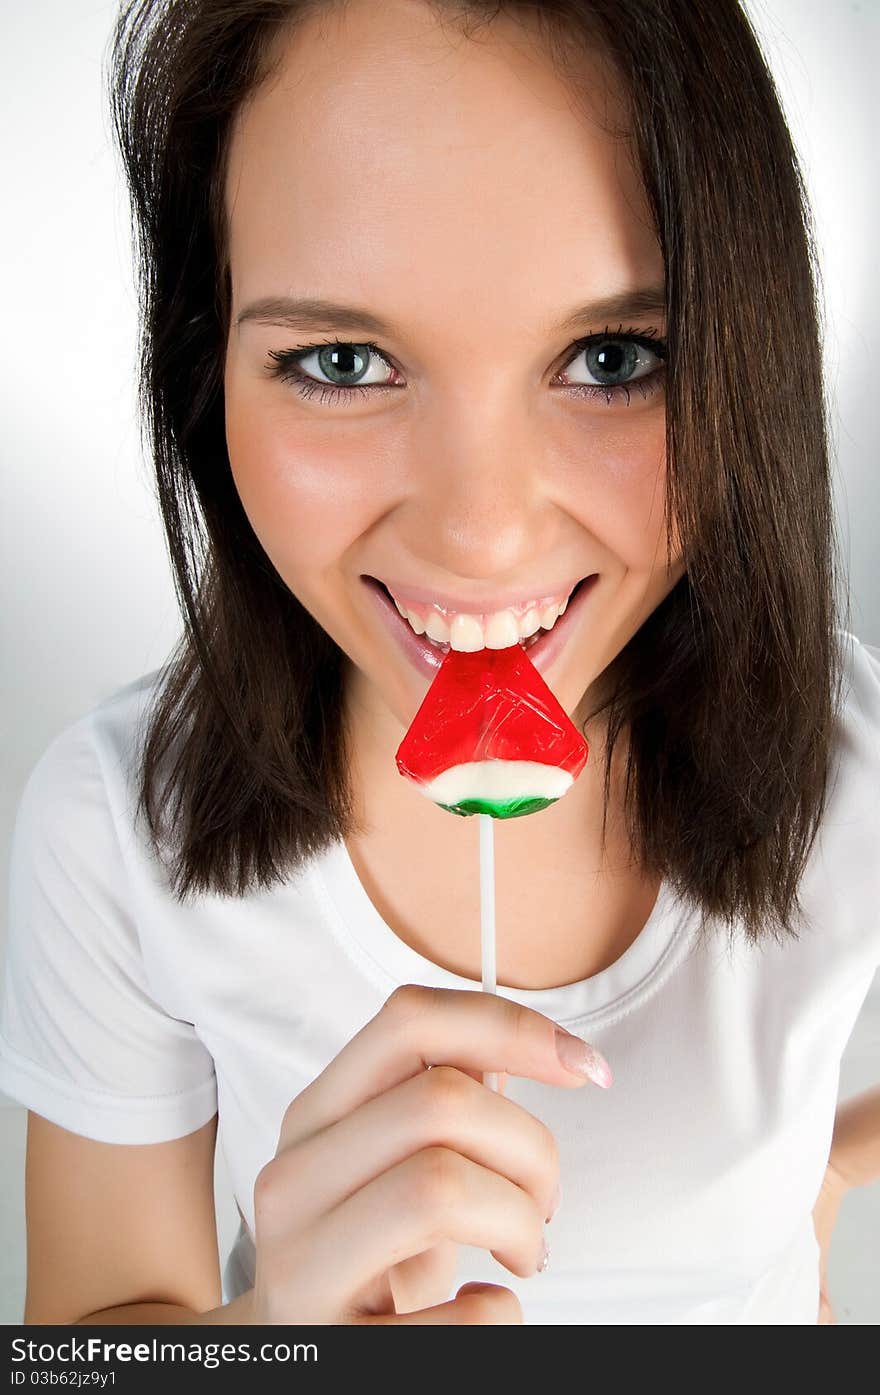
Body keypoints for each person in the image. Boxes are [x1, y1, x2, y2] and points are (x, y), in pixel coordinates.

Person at [1, 0, 878, 1327]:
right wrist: (272, 1342)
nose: (480, 536)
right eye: (342, 363)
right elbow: (84, 1337)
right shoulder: (119, 826)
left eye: (612, 358)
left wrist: (810, 1188)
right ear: (203, 377)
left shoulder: (857, 763)